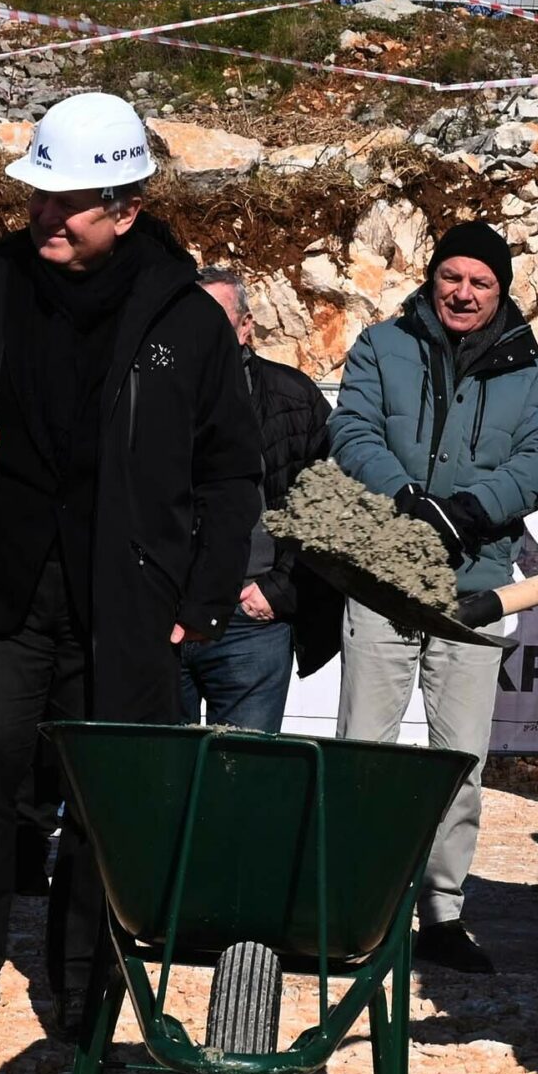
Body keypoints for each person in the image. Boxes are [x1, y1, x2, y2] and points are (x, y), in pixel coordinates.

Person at [0, 93, 262, 1029]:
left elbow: (232, 474)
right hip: (3, 592)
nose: (45, 216)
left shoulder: (184, 323)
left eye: (68, 202)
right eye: (38, 196)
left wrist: (200, 596)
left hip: (127, 603)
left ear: (126, 209)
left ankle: (83, 976)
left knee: (105, 797)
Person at [330, 220, 538, 976]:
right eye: (452, 277)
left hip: (477, 584)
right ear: (433, 278)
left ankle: (442, 912)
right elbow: (351, 429)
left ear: (502, 292)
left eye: (481, 282)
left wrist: (465, 510)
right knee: (365, 747)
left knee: (459, 757)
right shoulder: (381, 344)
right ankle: (355, 905)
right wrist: (403, 498)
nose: (463, 293)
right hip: (384, 574)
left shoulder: (533, 366)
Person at [180, 266, 335, 732]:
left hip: (252, 622)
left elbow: (325, 503)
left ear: (246, 326)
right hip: (165, 616)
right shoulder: (147, 394)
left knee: (241, 778)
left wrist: (279, 589)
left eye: (215, 321)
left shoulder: (294, 396)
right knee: (162, 777)